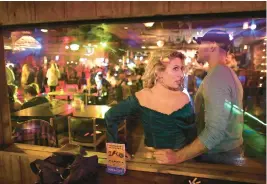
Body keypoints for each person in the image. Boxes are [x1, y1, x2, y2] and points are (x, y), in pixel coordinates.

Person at [153, 30, 244, 165]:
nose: (198, 48)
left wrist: (177, 157)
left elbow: (214, 133)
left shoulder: (217, 78)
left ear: (212, 46)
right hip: (227, 152)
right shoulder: (226, 73)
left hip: (218, 157)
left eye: (201, 44)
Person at [105, 51, 196, 159]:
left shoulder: (184, 98)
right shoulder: (143, 96)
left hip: (177, 159)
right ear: (158, 72)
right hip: (151, 159)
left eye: (181, 69)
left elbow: (192, 135)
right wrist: (115, 150)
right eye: (175, 68)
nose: (181, 74)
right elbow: (111, 116)